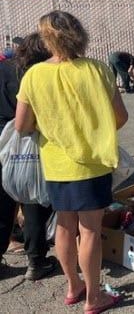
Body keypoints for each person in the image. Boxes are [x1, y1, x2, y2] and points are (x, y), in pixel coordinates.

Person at [15, 11, 128, 312]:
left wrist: (53, 127)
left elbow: (22, 125)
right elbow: (120, 117)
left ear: (46, 39)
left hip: (56, 164)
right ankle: (93, 297)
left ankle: (73, 286)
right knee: (90, 231)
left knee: (65, 226)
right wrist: (93, 130)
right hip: (92, 162)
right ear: (78, 34)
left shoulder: (34, 75)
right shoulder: (98, 70)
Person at [0, 33, 56, 280]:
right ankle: (36, 262)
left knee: (2, 205)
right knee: (34, 202)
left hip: (2, 144)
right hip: (30, 144)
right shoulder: (39, 75)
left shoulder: (3, 68)